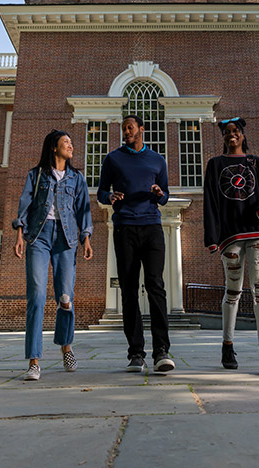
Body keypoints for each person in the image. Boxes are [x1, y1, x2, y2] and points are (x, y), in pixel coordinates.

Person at [13, 129, 93, 381]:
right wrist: (19, 236)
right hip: (38, 236)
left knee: (65, 298)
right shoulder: (36, 175)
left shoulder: (76, 178)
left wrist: (86, 238)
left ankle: (66, 346)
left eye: (71, 142)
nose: (71, 146)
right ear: (54, 148)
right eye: (66, 142)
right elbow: (25, 206)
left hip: (66, 238)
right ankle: (34, 361)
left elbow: (84, 210)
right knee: (36, 297)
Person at [202, 117, 259, 376]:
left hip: (257, 231)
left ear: (243, 135)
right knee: (233, 289)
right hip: (231, 235)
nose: (232, 135)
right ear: (223, 136)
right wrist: (212, 237)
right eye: (227, 132)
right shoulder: (215, 165)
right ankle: (227, 345)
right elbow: (211, 201)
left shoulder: (255, 163)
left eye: (236, 131)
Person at [96, 114, 174, 373]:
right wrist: (111, 195)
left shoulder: (157, 159)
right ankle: (136, 353)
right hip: (125, 227)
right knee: (129, 290)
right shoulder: (113, 158)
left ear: (142, 129)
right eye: (123, 128)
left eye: (130, 127)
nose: (126, 131)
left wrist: (160, 194)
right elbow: (101, 192)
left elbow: (165, 195)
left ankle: (161, 350)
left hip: (152, 227)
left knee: (156, 287)